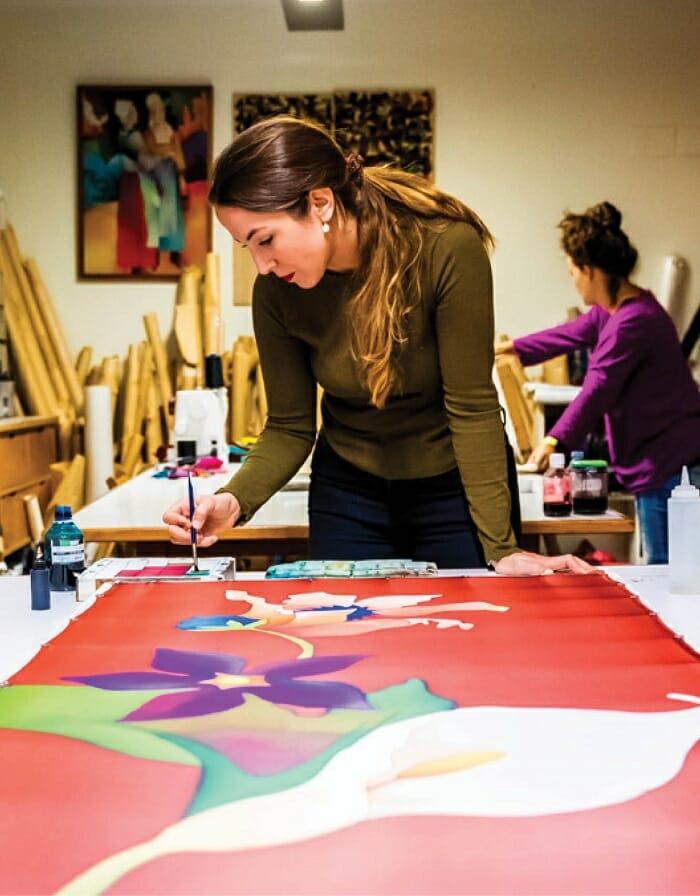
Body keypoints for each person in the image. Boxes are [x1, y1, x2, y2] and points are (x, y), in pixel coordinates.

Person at [163, 116, 590, 576]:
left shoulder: (445, 248)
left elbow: (472, 407)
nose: (261, 265)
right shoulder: (276, 291)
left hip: (454, 489)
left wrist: (502, 550)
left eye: (266, 239)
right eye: (245, 245)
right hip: (349, 491)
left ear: (320, 203)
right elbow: (290, 426)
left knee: (467, 636)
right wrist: (233, 499)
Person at [497, 201, 700, 564]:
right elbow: (566, 335)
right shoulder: (614, 313)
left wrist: (551, 442)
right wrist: (505, 349)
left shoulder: (633, 322)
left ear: (589, 270)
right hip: (658, 464)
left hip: (670, 465)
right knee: (665, 571)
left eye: (573, 272)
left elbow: (597, 389)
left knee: (667, 573)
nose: (573, 281)